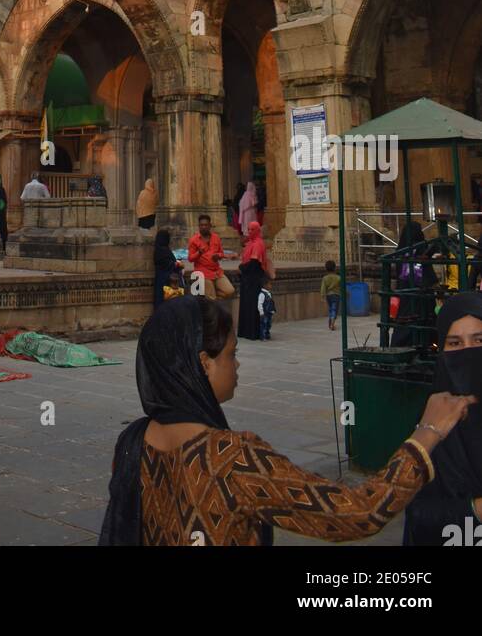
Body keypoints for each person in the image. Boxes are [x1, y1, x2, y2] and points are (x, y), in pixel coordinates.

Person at [99, 295, 475, 546]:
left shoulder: (133, 440)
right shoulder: (232, 458)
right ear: (202, 363)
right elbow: (358, 512)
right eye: (231, 354)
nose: (238, 364)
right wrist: (427, 434)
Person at [404, 291, 482, 546]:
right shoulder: (433, 423)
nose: (469, 352)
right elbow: (420, 518)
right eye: (455, 343)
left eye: (479, 339)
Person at [391, 220, 437, 349]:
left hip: (406, 294)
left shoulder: (401, 250)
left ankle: (401, 347)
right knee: (421, 319)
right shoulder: (420, 248)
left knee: (408, 320)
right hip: (420, 293)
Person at [187, 214, 236, 301]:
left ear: (210, 226)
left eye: (205, 225)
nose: (203, 227)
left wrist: (218, 256)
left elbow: (221, 253)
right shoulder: (194, 240)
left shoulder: (216, 237)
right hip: (203, 272)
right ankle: (211, 302)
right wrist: (199, 253)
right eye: (201, 225)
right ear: (199, 226)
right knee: (211, 297)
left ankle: (212, 300)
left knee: (230, 291)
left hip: (216, 271)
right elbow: (190, 259)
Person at [237, 220, 272, 341]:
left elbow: (254, 262)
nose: (250, 232)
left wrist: (241, 268)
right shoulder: (250, 243)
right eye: (249, 229)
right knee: (247, 304)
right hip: (248, 279)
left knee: (253, 304)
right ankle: (246, 331)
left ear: (257, 231)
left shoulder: (258, 243)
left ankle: (253, 332)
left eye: (253, 229)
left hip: (254, 278)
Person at [153, 230, 182, 311]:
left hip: (162, 281)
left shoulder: (160, 249)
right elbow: (166, 264)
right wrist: (177, 264)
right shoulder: (162, 251)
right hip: (166, 282)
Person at [321, 259, 341, 331]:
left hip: (328, 295)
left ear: (326, 269)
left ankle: (330, 322)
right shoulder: (338, 278)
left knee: (330, 308)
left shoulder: (325, 278)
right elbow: (342, 287)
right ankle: (332, 322)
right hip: (336, 295)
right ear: (334, 268)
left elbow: (323, 288)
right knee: (334, 309)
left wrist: (322, 296)